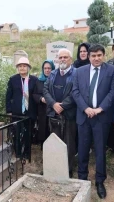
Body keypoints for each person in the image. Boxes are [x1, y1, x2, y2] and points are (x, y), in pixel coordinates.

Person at [72, 44, 114, 199]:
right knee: (83, 149)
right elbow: (75, 91)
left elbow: (113, 92)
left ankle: (100, 181)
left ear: (103, 55)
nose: (96, 58)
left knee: (100, 150)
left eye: (99, 55)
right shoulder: (79, 71)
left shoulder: (111, 71)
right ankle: (82, 178)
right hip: (84, 116)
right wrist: (86, 108)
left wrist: (99, 109)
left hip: (101, 117)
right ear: (89, 57)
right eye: (93, 56)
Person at [43, 49, 77, 177]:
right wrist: (53, 104)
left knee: (69, 142)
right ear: (57, 59)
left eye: (65, 57)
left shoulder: (76, 74)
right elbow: (45, 90)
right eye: (60, 57)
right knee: (54, 141)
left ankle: (67, 169)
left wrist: (62, 105)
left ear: (70, 59)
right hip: (53, 114)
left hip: (69, 114)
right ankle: (54, 167)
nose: (63, 59)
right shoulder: (52, 74)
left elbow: (76, 92)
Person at [6, 57, 37, 157]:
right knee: (16, 133)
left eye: (24, 66)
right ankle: (18, 153)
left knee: (28, 133)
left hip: (30, 111)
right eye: (20, 66)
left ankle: (27, 153)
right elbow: (8, 96)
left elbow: (36, 95)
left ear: (28, 68)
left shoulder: (34, 80)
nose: (22, 68)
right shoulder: (13, 79)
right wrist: (9, 110)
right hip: (16, 112)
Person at [32, 60, 55, 145]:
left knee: (52, 128)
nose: (47, 70)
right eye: (45, 68)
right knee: (43, 127)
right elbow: (34, 94)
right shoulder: (39, 81)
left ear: (52, 68)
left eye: (49, 68)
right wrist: (41, 98)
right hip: (42, 109)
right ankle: (43, 145)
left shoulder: (56, 79)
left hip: (53, 109)